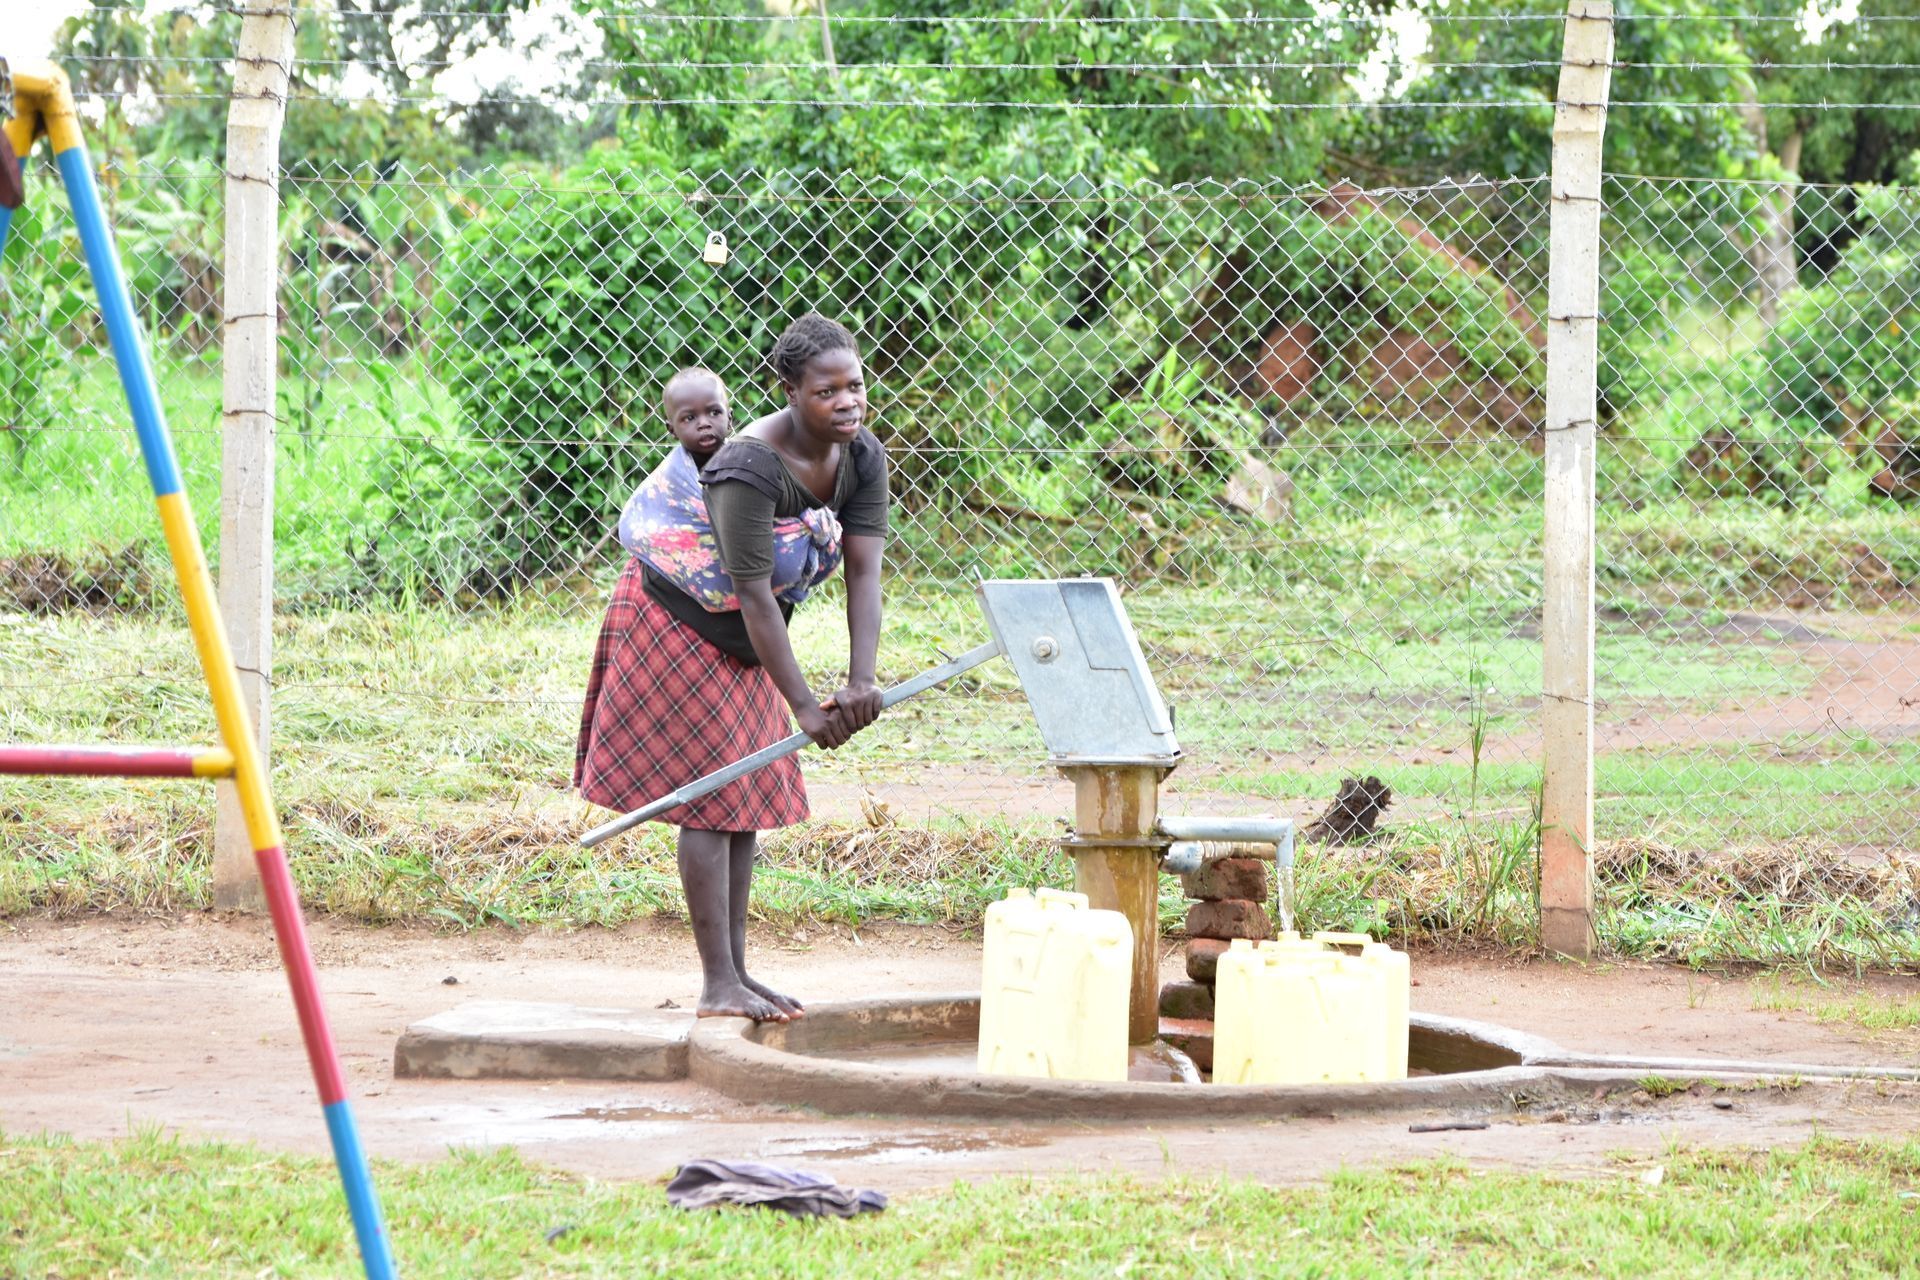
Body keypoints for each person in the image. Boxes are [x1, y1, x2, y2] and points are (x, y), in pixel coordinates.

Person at [575, 316, 889, 1022]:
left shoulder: (862, 456)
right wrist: (806, 704)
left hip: (749, 632)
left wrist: (861, 680)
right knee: (711, 797)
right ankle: (718, 980)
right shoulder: (748, 468)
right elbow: (750, 590)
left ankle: (738, 974)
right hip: (677, 619)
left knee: (740, 797)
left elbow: (864, 573)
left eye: (855, 386)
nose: (846, 402)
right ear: (790, 393)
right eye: (826, 391)